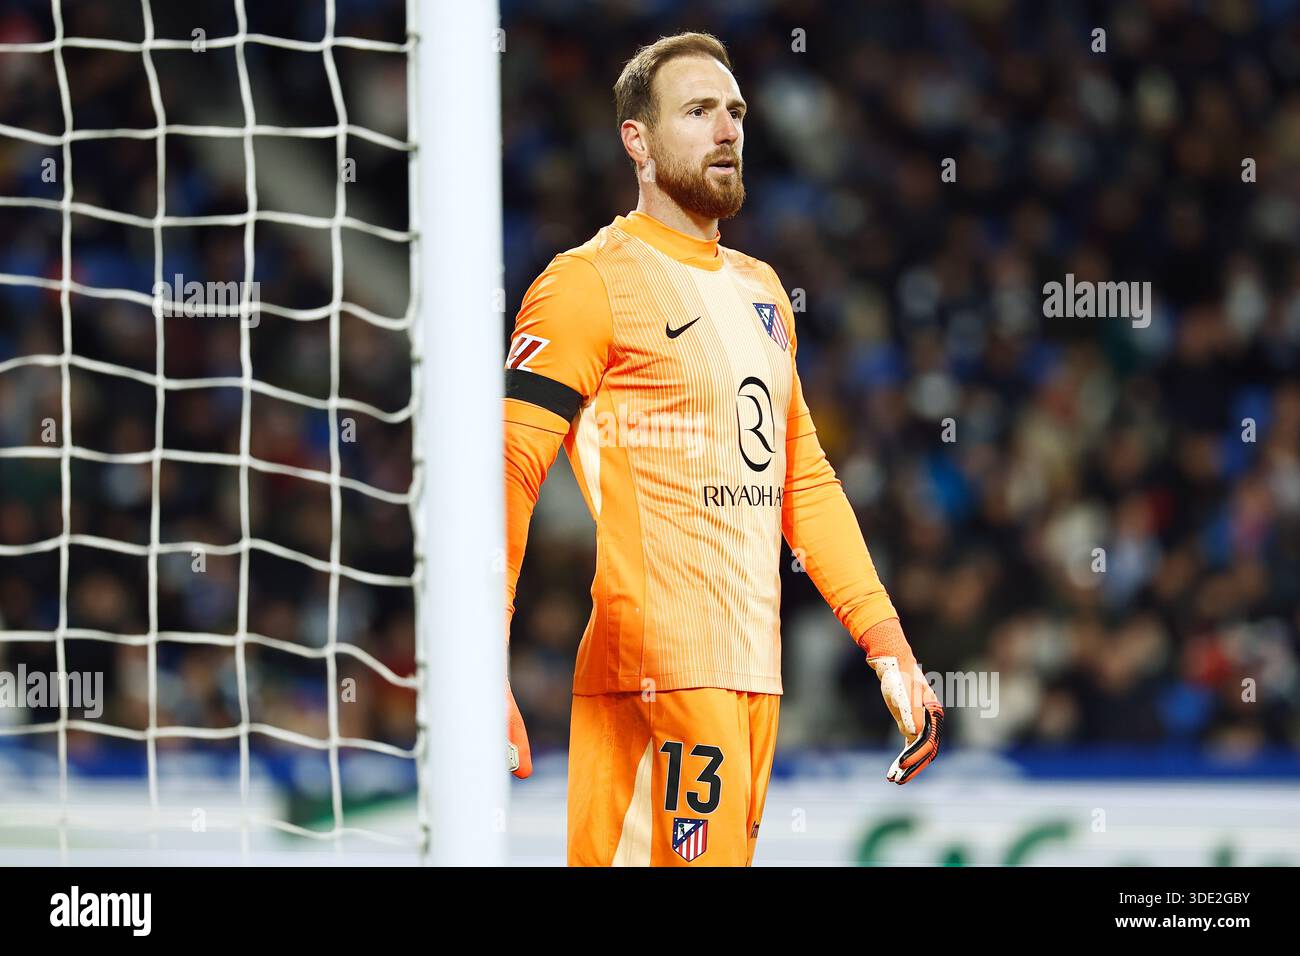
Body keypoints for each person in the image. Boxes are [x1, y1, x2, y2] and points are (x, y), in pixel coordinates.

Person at [503, 31, 943, 867]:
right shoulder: (587, 281)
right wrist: (483, 653)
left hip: (752, 675)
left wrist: (887, 644)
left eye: (735, 111)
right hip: (653, 673)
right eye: (698, 111)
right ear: (637, 139)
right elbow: (510, 467)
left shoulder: (762, 288)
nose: (727, 130)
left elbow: (802, 482)